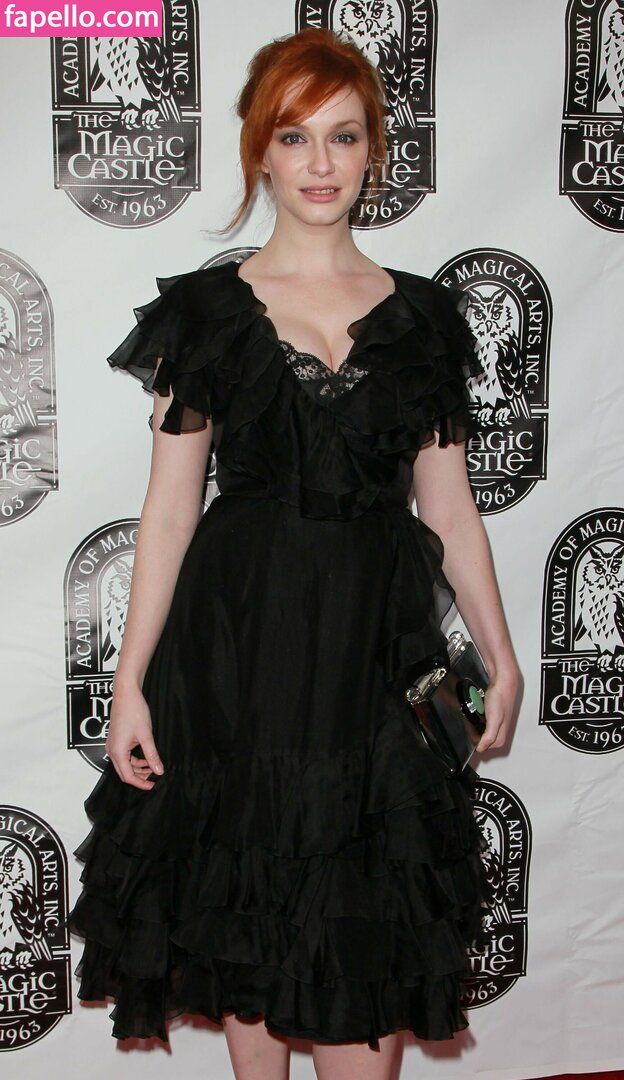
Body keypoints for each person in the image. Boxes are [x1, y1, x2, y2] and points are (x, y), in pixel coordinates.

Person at [68, 27, 519, 1080]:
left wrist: (498, 657)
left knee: (368, 936)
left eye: (344, 136)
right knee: (251, 923)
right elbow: (169, 512)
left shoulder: (424, 317)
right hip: (238, 665)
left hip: (377, 663)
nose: (321, 162)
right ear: (259, 152)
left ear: (375, 152)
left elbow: (450, 509)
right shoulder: (206, 316)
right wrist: (129, 684)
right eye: (295, 136)